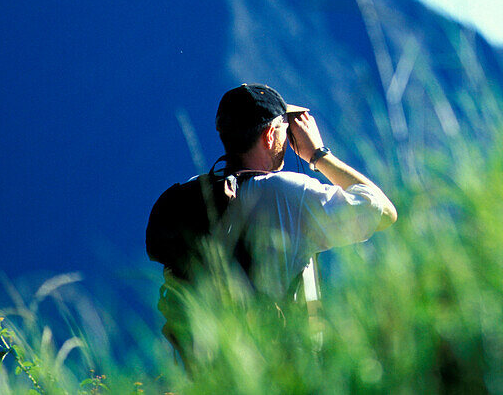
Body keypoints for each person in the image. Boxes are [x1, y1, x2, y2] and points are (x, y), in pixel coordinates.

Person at [156, 83, 397, 368]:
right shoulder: (288, 194)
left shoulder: (194, 196)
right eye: (285, 127)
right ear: (270, 136)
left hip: (217, 371)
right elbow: (382, 212)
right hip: (283, 371)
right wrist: (318, 155)